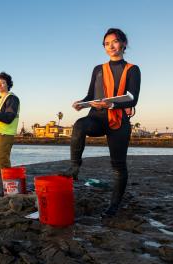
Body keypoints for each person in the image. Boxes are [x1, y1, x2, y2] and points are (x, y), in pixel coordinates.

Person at [66, 28, 141, 217]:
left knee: (118, 166)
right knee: (79, 125)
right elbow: (91, 95)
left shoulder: (132, 69)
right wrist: (81, 104)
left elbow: (132, 99)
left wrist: (111, 103)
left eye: (114, 42)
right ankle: (74, 167)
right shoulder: (98, 69)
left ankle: (114, 206)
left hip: (119, 121)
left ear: (123, 43)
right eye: (107, 44)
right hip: (97, 118)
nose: (111, 46)